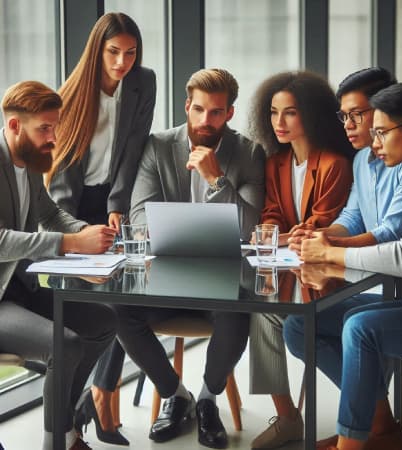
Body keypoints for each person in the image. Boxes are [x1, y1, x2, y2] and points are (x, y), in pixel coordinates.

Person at [285, 82, 402, 450]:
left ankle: (351, 445)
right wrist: (326, 240)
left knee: (361, 327)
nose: (374, 143)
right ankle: (382, 430)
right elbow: (360, 221)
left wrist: (330, 254)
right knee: (301, 323)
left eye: (381, 132)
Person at [115, 68, 265, 449]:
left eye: (215, 112)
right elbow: (140, 216)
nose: (204, 120)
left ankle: (206, 399)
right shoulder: (159, 146)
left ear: (229, 113)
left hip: (223, 279)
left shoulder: (248, 153)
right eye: (198, 110)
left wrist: (217, 180)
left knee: (239, 309)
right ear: (187, 106)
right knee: (117, 307)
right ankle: (173, 393)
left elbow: (248, 226)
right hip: (166, 276)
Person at [46, 12, 157, 446]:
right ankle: (84, 406)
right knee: (90, 305)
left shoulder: (142, 83)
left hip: (115, 198)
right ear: (98, 50)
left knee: (121, 299)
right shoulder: (70, 95)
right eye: (113, 52)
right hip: (72, 206)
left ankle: (95, 398)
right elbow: (60, 174)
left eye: (130, 53)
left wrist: (119, 205)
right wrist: (71, 230)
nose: (122, 62)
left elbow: (133, 150)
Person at [0, 80, 117, 450]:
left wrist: (88, 235)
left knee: (103, 322)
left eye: (55, 127)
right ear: (15, 126)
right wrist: (69, 244)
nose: (53, 138)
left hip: (20, 287)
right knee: (64, 345)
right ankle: (60, 442)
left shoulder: (31, 161)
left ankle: (65, 423)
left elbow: (49, 213)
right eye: (45, 129)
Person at [246, 70, 354, 449]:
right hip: (288, 265)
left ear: (309, 114)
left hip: (327, 273)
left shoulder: (335, 163)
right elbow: (272, 213)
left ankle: (364, 411)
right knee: (260, 309)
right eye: (274, 113)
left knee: (289, 315)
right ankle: (287, 415)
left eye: (289, 113)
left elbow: (322, 224)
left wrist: (284, 235)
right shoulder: (275, 163)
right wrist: (279, 232)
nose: (279, 122)